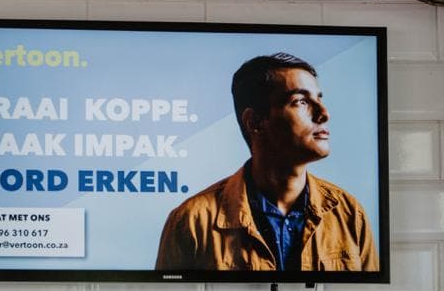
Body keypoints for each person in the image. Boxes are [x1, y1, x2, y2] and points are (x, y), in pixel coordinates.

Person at [155, 52, 378, 272]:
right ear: (255, 122)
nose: (324, 113)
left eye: (319, 98)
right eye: (300, 101)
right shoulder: (192, 221)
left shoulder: (349, 213)